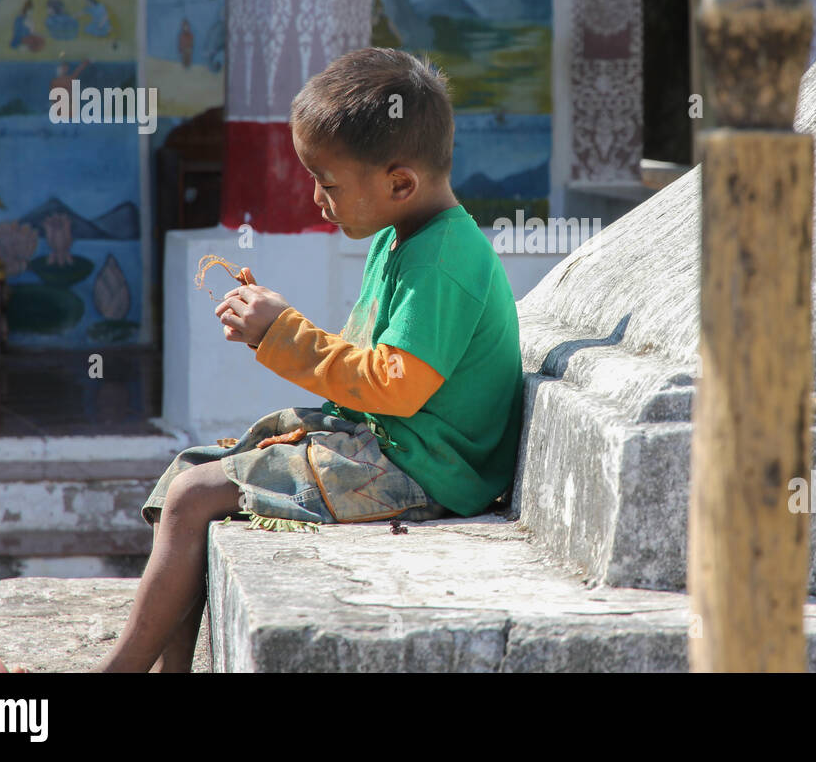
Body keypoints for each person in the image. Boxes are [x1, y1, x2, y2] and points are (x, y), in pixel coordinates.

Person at [94, 47, 525, 672]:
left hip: (426, 470)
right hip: (391, 446)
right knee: (191, 470)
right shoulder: (401, 237)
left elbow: (396, 387)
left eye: (327, 182)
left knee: (193, 496)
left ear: (400, 182)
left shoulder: (442, 259)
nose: (316, 197)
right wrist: (273, 324)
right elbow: (366, 360)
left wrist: (283, 333)